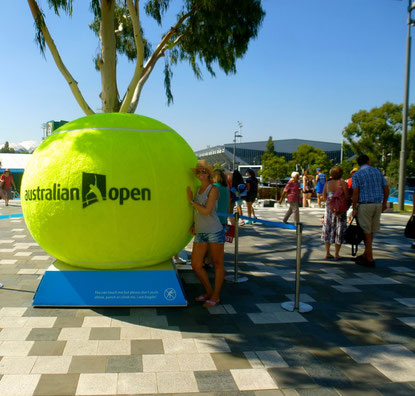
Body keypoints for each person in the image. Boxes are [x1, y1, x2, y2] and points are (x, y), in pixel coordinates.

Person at [187, 160, 225, 307]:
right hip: (201, 232)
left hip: (214, 231)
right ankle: (209, 291)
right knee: (196, 265)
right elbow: (198, 213)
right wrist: (194, 224)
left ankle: (216, 296)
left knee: (217, 264)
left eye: (204, 171)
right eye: (198, 171)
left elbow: (207, 211)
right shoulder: (197, 189)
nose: (201, 173)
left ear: (209, 174)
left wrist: (191, 201)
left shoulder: (213, 189)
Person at [351, 154, 389, 267]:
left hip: (365, 205)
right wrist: (384, 203)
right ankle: (366, 253)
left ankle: (369, 258)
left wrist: (354, 207)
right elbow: (386, 188)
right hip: (377, 204)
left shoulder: (357, 174)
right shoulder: (377, 171)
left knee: (366, 231)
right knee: (371, 230)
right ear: (368, 161)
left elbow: (356, 192)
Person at [321, 166, 349, 260]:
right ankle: (336, 254)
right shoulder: (343, 183)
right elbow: (347, 197)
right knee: (339, 230)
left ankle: (327, 252)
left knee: (328, 229)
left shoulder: (327, 184)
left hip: (329, 210)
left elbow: (324, 197)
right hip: (340, 211)